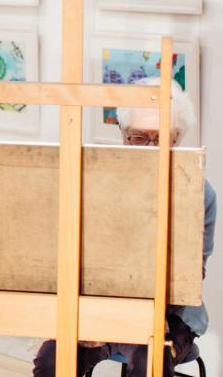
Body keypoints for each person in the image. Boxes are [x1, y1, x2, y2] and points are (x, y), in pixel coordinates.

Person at [32, 78, 216, 376]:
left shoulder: (199, 193)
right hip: (100, 301)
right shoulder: (95, 181)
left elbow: (192, 275)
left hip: (171, 311)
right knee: (52, 360)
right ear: (123, 135)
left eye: (160, 139)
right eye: (139, 138)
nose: (149, 149)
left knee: (150, 361)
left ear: (177, 138)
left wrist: (139, 317)